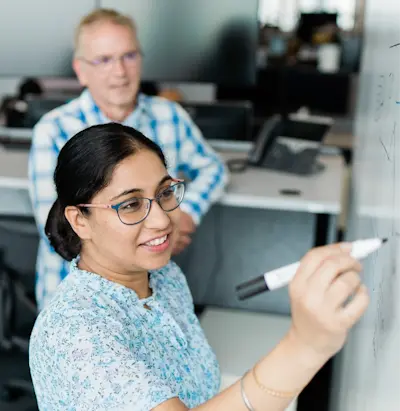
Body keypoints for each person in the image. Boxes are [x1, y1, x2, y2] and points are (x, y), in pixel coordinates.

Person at [29, 123, 369, 411]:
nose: (162, 220)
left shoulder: (163, 277)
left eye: (165, 193)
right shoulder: (74, 333)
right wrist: (305, 346)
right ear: (80, 221)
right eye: (131, 205)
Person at [28, 8, 228, 310]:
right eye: (104, 60)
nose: (120, 71)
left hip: (153, 295)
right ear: (80, 69)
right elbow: (61, 233)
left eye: (129, 56)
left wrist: (185, 214)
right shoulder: (53, 131)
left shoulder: (169, 115)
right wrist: (158, 232)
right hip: (80, 302)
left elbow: (214, 168)